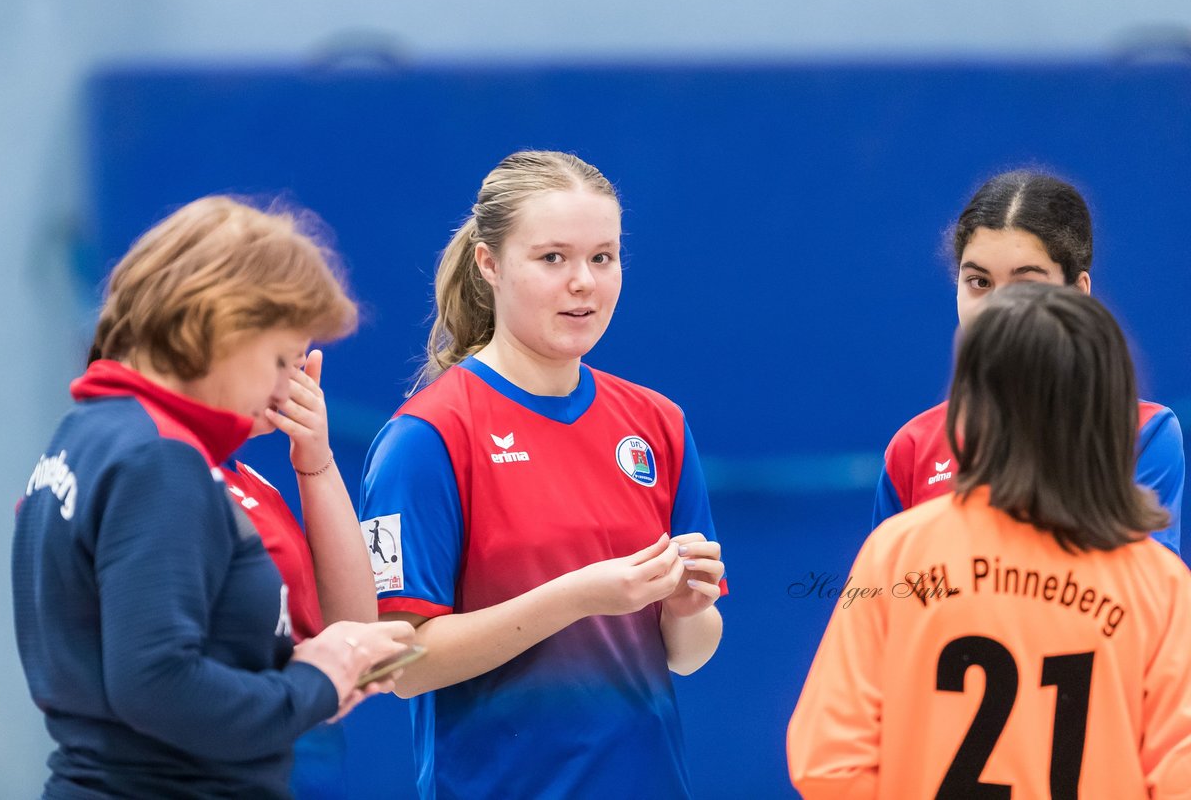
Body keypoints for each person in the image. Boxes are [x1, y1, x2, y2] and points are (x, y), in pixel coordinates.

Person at [12, 196, 414, 799]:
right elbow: (157, 683)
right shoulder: (160, 459)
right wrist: (316, 681)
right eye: (280, 358)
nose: (288, 386)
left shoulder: (90, 431)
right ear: (218, 324)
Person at [359, 151, 726, 800]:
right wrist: (579, 596)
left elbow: (690, 653)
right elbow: (400, 664)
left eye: (603, 257)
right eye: (553, 258)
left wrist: (686, 608)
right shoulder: (426, 438)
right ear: (489, 264)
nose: (583, 282)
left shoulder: (657, 422)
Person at [789, 283, 1191, 798]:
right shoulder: (1157, 582)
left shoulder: (898, 553)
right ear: (1111, 411)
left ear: (970, 407)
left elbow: (828, 761)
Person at [871, 170, 1184, 557]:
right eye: (979, 283)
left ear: (1078, 293)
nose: (998, 308)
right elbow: (889, 602)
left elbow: (1143, 604)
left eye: (1026, 283)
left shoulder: (1143, 435)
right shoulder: (912, 451)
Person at [215, 347, 375, 799]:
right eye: (278, 358)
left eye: (297, 361)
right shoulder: (168, 477)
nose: (293, 381)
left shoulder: (250, 483)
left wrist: (315, 458)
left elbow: (354, 632)